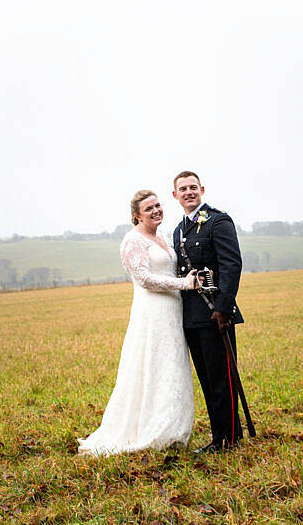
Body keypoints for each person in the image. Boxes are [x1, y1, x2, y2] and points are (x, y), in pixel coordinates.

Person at [77, 190, 202, 457]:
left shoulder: (164, 237)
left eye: (158, 205)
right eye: (149, 209)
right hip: (152, 313)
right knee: (152, 365)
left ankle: (173, 429)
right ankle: (149, 429)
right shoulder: (132, 241)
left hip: (174, 310)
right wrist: (184, 284)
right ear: (136, 216)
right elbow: (144, 278)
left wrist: (189, 278)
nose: (156, 210)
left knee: (171, 364)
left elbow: (170, 269)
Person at [170, 171, 245, 452]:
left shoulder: (218, 221)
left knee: (221, 378)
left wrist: (224, 308)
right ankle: (220, 437)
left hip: (215, 314)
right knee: (206, 378)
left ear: (201, 189)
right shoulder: (179, 230)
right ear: (174, 195)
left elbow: (231, 265)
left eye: (193, 187)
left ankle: (229, 439)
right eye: (182, 189)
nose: (189, 192)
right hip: (191, 318)